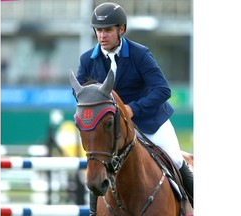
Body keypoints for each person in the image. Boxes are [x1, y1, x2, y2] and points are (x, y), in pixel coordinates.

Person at [74, 2, 193, 215]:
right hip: (113, 128)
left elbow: (162, 90)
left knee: (176, 158)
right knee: (100, 163)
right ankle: (94, 212)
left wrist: (133, 109)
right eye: (99, 30)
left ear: (121, 29)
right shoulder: (87, 60)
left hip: (149, 121)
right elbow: (81, 94)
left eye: (108, 30)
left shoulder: (140, 54)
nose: (102, 35)